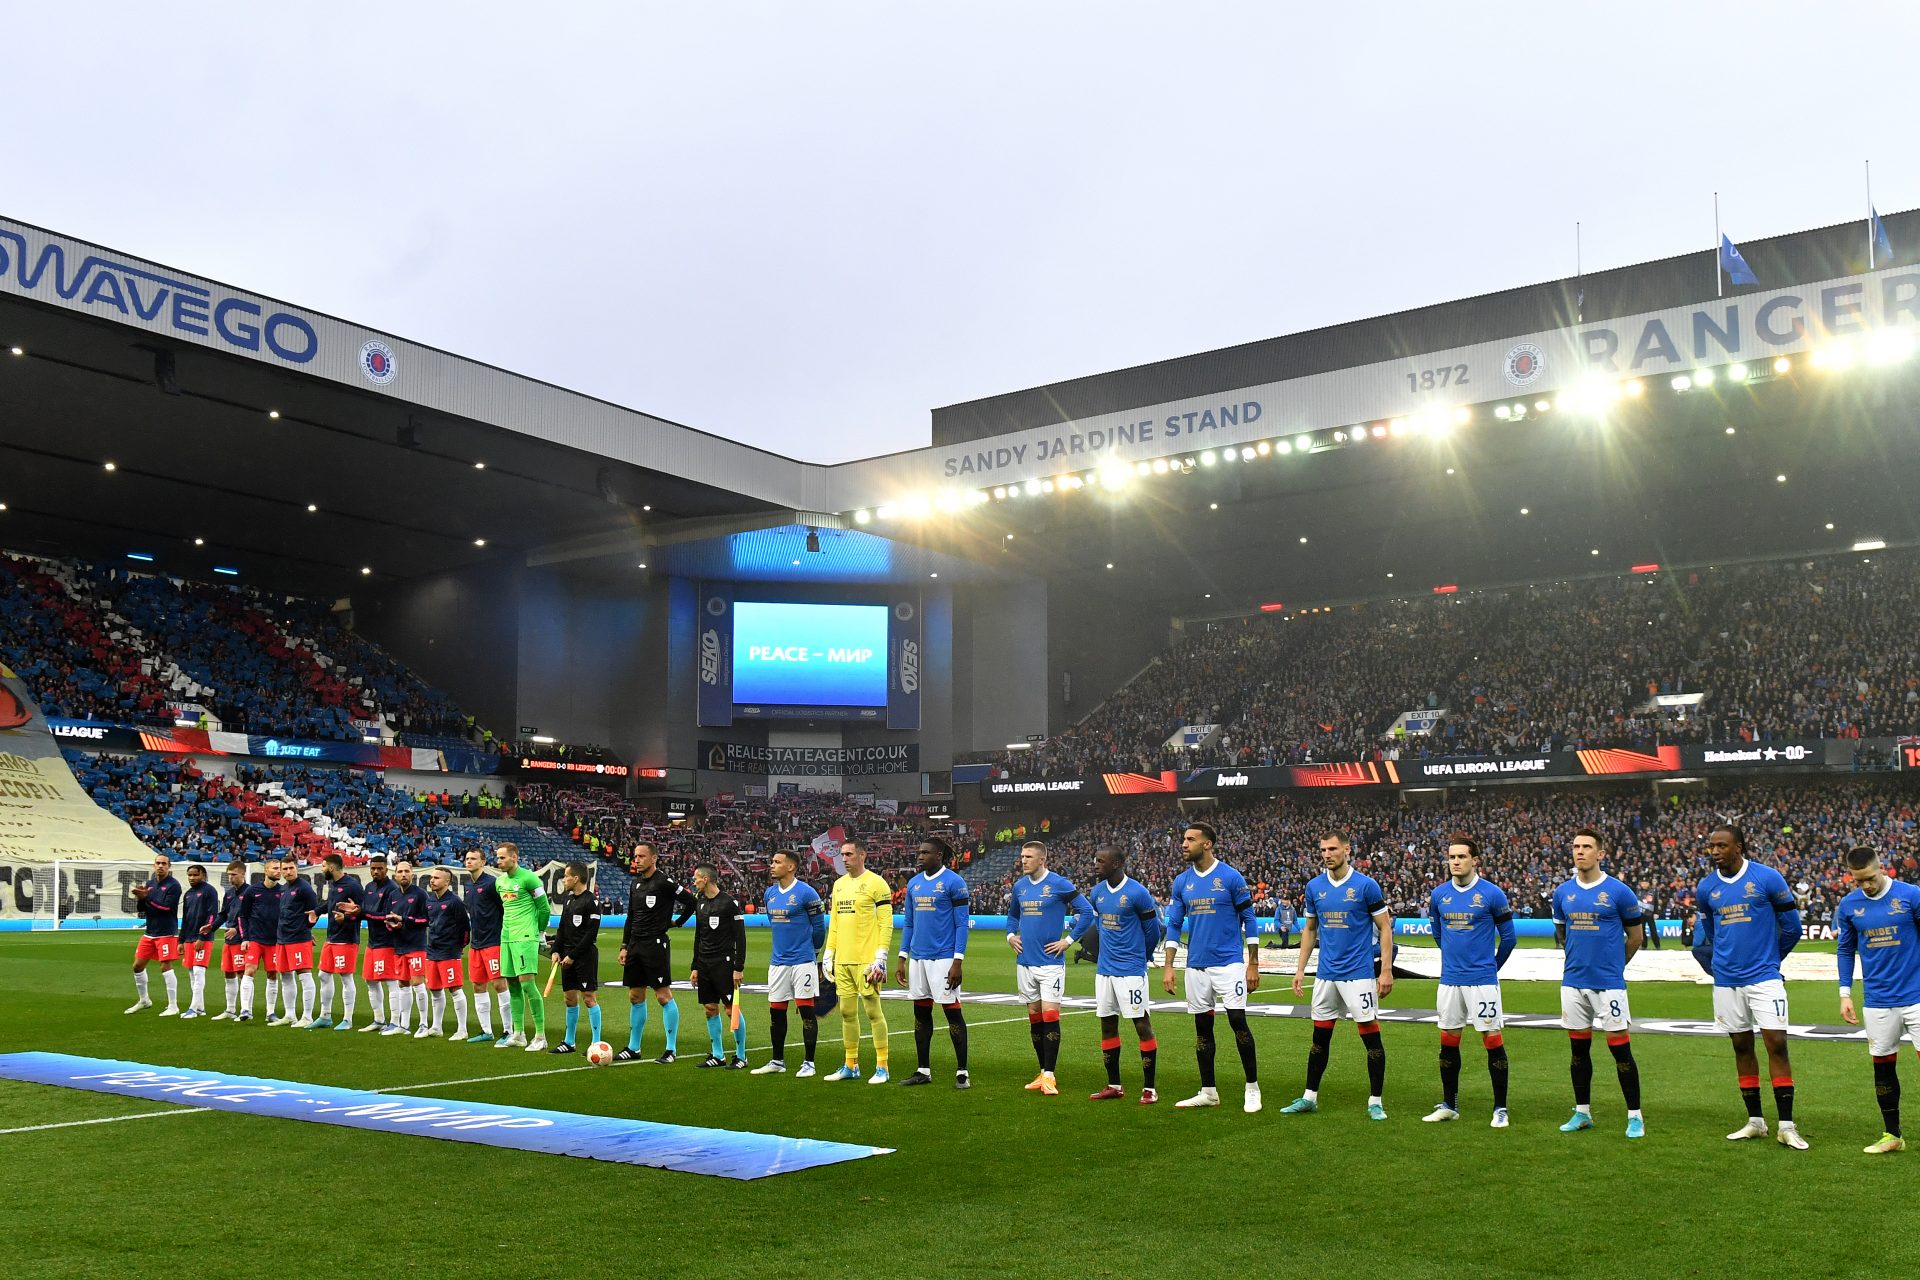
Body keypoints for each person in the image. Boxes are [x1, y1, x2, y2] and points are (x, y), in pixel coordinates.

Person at [1691, 823, 1806, 1149]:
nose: (1715, 851)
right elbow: (1711, 931)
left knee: (1776, 1045)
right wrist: (1723, 963)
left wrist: (1771, 960)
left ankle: (1786, 1124)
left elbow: (1792, 928)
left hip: (1764, 979)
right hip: (1726, 981)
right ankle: (1756, 1121)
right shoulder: (1706, 888)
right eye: (1711, 846)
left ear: (1739, 846)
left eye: (1721, 846)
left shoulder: (1767, 878)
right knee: (1741, 1047)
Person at [1282, 832, 1394, 1120]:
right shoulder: (1314, 887)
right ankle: (1309, 1098)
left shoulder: (1365, 886)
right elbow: (1309, 930)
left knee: (1371, 1038)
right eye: (1323, 849)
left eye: (1333, 849)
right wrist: (1299, 969)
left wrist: (1385, 970)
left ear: (1347, 850)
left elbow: (1384, 927)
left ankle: (1375, 1101)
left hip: (1358, 975)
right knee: (1319, 1039)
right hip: (1326, 975)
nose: (1327, 854)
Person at [1551, 827, 1647, 1138]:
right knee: (1578, 1051)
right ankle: (1582, 1113)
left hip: (1609, 984)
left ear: (1600, 854)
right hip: (1573, 982)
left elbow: (1635, 937)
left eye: (1587, 847)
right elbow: (1562, 933)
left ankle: (1635, 1116)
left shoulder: (1619, 892)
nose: (1580, 851)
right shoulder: (1563, 893)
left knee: (1620, 1051)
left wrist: (1614, 967)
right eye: (1576, 846)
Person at [1162, 820, 1262, 1112]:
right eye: (1183, 838)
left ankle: (1252, 1088)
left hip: (1228, 964)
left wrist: (1252, 962)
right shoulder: (1182, 882)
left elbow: (1250, 920)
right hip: (1195, 966)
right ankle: (1208, 1091)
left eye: (1190, 839)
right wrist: (1169, 967)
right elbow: (1174, 924)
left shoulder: (1230, 877)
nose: (1183, 843)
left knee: (1237, 1023)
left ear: (1207, 844)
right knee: (1202, 1028)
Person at [1422, 834, 1517, 1127]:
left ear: (1475, 860)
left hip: (1482, 982)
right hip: (1450, 981)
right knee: (1448, 1042)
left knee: (1492, 1041)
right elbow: (1439, 933)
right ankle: (1450, 1104)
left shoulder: (1492, 894)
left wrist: (1490, 969)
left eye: (1461, 856)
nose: (1455, 861)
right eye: (1452, 857)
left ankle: (1500, 1108)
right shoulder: (1439, 895)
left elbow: (1509, 939)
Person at [1836, 844, 1920, 1154]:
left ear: (1881, 867)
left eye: (1870, 878)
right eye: (1859, 881)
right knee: (1883, 1067)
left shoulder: (1911, 895)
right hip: (1878, 1000)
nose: (1866, 886)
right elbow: (1845, 950)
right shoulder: (1848, 906)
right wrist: (1845, 993)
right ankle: (1892, 1135)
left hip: (1917, 996)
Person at [1007, 839, 1094, 1095]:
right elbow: (1012, 915)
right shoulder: (1020, 887)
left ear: (1042, 860)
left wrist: (1067, 941)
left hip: (1050, 964)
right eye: (1022, 856)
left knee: (1050, 1016)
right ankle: (1042, 1071)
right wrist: (1010, 935)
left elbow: (1087, 912)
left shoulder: (1059, 884)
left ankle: (1050, 1075)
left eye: (1028, 857)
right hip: (1025, 962)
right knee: (1034, 1017)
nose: (1023, 860)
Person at [1085, 846, 1163, 1104]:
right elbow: (1098, 926)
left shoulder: (1137, 892)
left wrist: (1143, 956)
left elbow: (1153, 930)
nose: (1096, 864)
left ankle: (1150, 1088)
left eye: (1101, 861)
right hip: (1104, 971)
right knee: (1107, 1025)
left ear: (1117, 863)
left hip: (1130, 971)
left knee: (1142, 1026)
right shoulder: (1096, 893)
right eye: (1095, 860)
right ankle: (1114, 1085)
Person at [898, 836, 973, 1089]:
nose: (919, 856)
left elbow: (962, 924)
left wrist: (957, 961)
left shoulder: (954, 882)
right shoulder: (914, 884)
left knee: (952, 1014)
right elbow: (909, 923)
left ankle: (962, 1071)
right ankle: (923, 1070)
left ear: (938, 855)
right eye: (918, 851)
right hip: (918, 958)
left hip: (943, 959)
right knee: (921, 1014)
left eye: (925, 852)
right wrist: (902, 957)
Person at [821, 837, 894, 1083]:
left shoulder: (877, 884)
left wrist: (881, 955)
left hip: (866, 960)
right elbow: (835, 923)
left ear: (862, 855)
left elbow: (886, 923)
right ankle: (850, 1065)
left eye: (849, 854)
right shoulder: (839, 885)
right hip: (843, 959)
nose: (844, 859)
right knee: (846, 1012)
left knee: (873, 1010)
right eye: (842, 855)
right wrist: (829, 953)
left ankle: (882, 1066)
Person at [615, 842, 695, 1063]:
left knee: (662, 995)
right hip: (635, 945)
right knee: (635, 995)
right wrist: (624, 946)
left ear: (654, 858)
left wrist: (677, 922)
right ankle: (634, 1047)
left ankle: (671, 1050)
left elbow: (691, 902)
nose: (637, 860)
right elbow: (630, 917)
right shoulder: (635, 883)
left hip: (655, 944)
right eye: (635, 856)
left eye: (641, 856)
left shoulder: (664, 882)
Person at [755, 848, 827, 1076]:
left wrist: (812, 952)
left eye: (777, 862)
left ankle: (809, 1063)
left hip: (803, 961)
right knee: (776, 1011)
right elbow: (772, 921)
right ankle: (777, 1061)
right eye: (772, 861)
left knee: (806, 1012)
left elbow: (818, 928)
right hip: (778, 962)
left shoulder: (807, 893)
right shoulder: (769, 894)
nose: (772, 865)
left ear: (791, 867)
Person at [688, 863, 748, 1069]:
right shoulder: (700, 902)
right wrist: (695, 966)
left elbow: (740, 938)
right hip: (704, 963)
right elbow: (699, 936)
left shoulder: (729, 903)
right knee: (710, 1008)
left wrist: (738, 967)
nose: (694, 881)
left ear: (706, 879)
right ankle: (718, 1055)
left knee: (731, 1009)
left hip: (724, 962)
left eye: (696, 878)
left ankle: (741, 1056)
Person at [493, 842, 551, 1052]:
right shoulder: (499, 882)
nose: (498, 861)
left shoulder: (529, 878)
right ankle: (518, 1034)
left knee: (527, 984)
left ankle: (541, 1036)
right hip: (506, 937)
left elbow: (543, 908)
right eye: (497, 857)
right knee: (513, 985)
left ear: (514, 857)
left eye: (502, 857)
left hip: (525, 937)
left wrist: (540, 932)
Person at [548, 862, 601, 1054]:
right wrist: (556, 950)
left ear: (576, 878)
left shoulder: (591, 901)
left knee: (588, 998)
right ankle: (569, 1042)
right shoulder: (569, 900)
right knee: (569, 999)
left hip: (584, 956)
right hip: (567, 957)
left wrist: (572, 955)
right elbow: (562, 929)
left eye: (566, 876)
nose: (564, 880)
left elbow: (591, 935)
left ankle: (596, 1043)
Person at [461, 848, 511, 1044]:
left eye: (473, 858)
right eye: (467, 858)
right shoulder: (468, 886)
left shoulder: (492, 883)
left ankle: (508, 1030)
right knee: (478, 985)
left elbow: (504, 910)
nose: (469, 861)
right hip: (476, 944)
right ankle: (486, 1031)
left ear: (483, 862)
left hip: (493, 942)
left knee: (499, 984)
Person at [126, 852, 182, 1016]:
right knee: (137, 966)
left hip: (166, 932)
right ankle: (144, 1000)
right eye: (158, 863)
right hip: (150, 932)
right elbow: (141, 911)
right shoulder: (150, 883)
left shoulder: (173, 885)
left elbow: (167, 908)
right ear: (153, 865)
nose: (160, 866)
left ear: (169, 866)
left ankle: (173, 1005)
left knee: (165, 966)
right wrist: (141, 899)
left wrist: (147, 898)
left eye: (164, 863)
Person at [383, 859, 431, 1038]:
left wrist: (404, 920)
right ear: (395, 875)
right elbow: (388, 918)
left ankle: (424, 1024)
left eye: (406, 871)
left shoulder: (420, 895)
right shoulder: (393, 895)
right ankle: (404, 1024)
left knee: (417, 984)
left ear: (412, 874)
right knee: (402, 984)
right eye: (400, 872)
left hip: (416, 945)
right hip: (399, 946)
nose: (403, 874)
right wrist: (392, 925)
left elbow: (426, 920)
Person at [315, 853, 363, 1031]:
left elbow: (362, 911)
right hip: (332, 937)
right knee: (323, 974)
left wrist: (348, 919)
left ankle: (347, 1019)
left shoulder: (352, 886)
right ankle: (325, 1016)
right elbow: (331, 904)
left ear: (331, 867)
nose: (322, 869)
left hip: (346, 939)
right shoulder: (334, 884)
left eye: (323, 866)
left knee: (345, 977)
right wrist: (316, 911)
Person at [236, 856, 287, 1024]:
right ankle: (245, 1009)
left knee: (272, 974)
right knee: (249, 970)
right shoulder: (252, 891)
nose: (278, 871)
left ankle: (270, 1012)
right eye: (274, 868)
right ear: (265, 871)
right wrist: (245, 938)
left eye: (279, 869)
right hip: (255, 939)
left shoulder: (283, 891)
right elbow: (242, 915)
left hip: (274, 941)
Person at [425, 866, 472, 1040]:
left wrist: (458, 947)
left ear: (447, 881)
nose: (432, 880)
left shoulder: (454, 902)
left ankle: (462, 1029)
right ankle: (436, 1026)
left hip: (449, 952)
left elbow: (465, 929)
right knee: (435, 990)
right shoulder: (430, 901)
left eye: (437, 878)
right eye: (431, 877)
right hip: (432, 952)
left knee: (455, 989)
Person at [356, 855, 400, 1032]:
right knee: (371, 980)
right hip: (372, 942)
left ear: (386, 869)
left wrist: (363, 913)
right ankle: (379, 1019)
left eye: (379, 868)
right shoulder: (369, 887)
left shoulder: (392, 889)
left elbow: (387, 916)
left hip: (388, 942)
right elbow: (367, 912)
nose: (376, 871)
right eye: (373, 868)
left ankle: (395, 1021)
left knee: (391, 981)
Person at [275, 862, 321, 1028]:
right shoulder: (283, 889)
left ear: (297, 869)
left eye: (291, 868)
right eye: (285, 869)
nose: (288, 872)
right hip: (282, 938)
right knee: (285, 975)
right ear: (281, 871)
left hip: (298, 938)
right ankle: (290, 1015)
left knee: (304, 974)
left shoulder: (304, 888)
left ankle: (307, 1017)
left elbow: (313, 913)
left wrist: (307, 931)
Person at [176, 862, 220, 1020]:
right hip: (189, 938)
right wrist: (180, 941)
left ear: (203, 875)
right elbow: (186, 919)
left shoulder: (209, 891)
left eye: (195, 875)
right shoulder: (188, 894)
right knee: (191, 973)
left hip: (202, 938)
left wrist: (203, 936)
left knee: (198, 971)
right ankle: (200, 1008)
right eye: (190, 875)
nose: (192, 877)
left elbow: (212, 914)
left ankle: (193, 1008)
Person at [211, 860, 249, 1021]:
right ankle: (230, 1009)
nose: (231, 878)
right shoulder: (229, 893)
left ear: (242, 874)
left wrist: (239, 930)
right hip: (229, 939)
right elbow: (223, 914)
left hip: (241, 938)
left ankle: (246, 1009)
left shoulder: (250, 892)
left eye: (234, 874)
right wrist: (211, 927)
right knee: (228, 972)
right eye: (229, 875)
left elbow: (251, 916)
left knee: (242, 974)